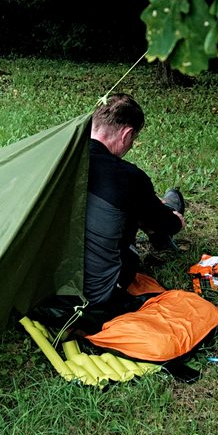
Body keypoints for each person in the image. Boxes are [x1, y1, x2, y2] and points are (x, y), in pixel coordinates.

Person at [79, 93, 185, 331]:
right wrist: (175, 220)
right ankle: (162, 215)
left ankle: (151, 210)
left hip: (52, 285)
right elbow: (170, 224)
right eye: (133, 139)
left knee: (125, 204)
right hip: (98, 292)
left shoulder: (63, 159)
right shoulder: (128, 176)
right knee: (166, 205)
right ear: (127, 134)